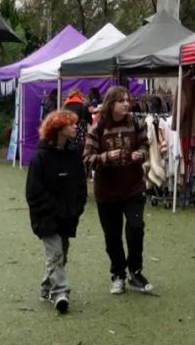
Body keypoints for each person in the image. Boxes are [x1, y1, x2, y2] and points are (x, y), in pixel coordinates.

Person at [84, 86, 154, 295]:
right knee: (112, 236)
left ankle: (135, 271)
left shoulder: (136, 123)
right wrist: (108, 157)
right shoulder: (98, 128)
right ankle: (118, 274)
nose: (126, 103)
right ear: (110, 103)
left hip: (133, 186)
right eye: (121, 100)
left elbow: (145, 145)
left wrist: (140, 154)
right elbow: (87, 160)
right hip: (107, 191)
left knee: (136, 227)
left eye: (128, 100)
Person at [25, 110, 87, 314]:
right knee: (56, 253)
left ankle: (46, 287)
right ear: (59, 128)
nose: (76, 127)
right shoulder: (40, 158)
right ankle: (61, 293)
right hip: (46, 216)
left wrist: (76, 208)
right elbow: (34, 192)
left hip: (68, 216)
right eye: (71, 124)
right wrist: (54, 208)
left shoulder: (74, 154)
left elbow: (80, 185)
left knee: (61, 254)